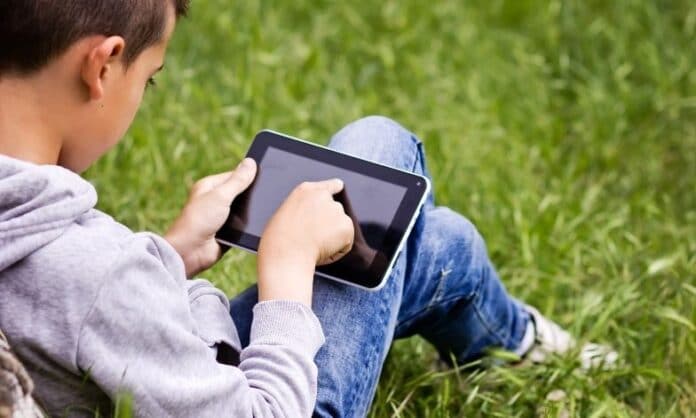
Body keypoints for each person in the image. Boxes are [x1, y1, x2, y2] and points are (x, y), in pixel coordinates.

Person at [0, 1, 617, 417]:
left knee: (418, 244)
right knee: (382, 148)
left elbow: (79, 319)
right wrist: (287, 278)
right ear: (103, 64)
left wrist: (167, 257)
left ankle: (513, 340)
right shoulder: (98, 274)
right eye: (150, 77)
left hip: (169, 375)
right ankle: (516, 341)